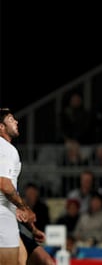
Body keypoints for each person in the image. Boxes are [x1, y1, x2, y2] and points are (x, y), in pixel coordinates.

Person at [0, 108, 36, 264]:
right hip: (2, 213)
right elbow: (5, 185)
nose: (16, 121)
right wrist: (24, 207)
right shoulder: (6, 148)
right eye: (10, 119)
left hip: (7, 211)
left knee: (22, 258)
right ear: (1, 127)